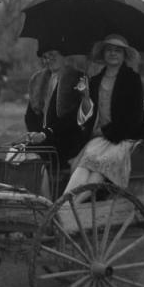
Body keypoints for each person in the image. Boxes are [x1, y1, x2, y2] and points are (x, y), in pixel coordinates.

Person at [63, 34, 144, 194]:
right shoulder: (94, 81)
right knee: (85, 165)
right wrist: (83, 97)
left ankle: (69, 207)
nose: (113, 53)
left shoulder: (132, 80)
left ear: (124, 55)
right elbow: (85, 116)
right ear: (103, 54)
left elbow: (135, 116)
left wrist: (106, 132)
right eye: (109, 50)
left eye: (118, 50)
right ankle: (65, 204)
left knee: (99, 168)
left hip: (124, 137)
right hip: (99, 139)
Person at [24, 46, 91, 197]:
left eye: (53, 55)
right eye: (46, 57)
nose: (49, 60)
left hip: (66, 139)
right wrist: (36, 133)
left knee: (31, 155)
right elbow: (30, 115)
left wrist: (47, 134)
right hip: (43, 139)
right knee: (16, 153)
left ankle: (47, 203)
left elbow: (74, 118)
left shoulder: (77, 78)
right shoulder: (38, 80)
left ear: (64, 55)